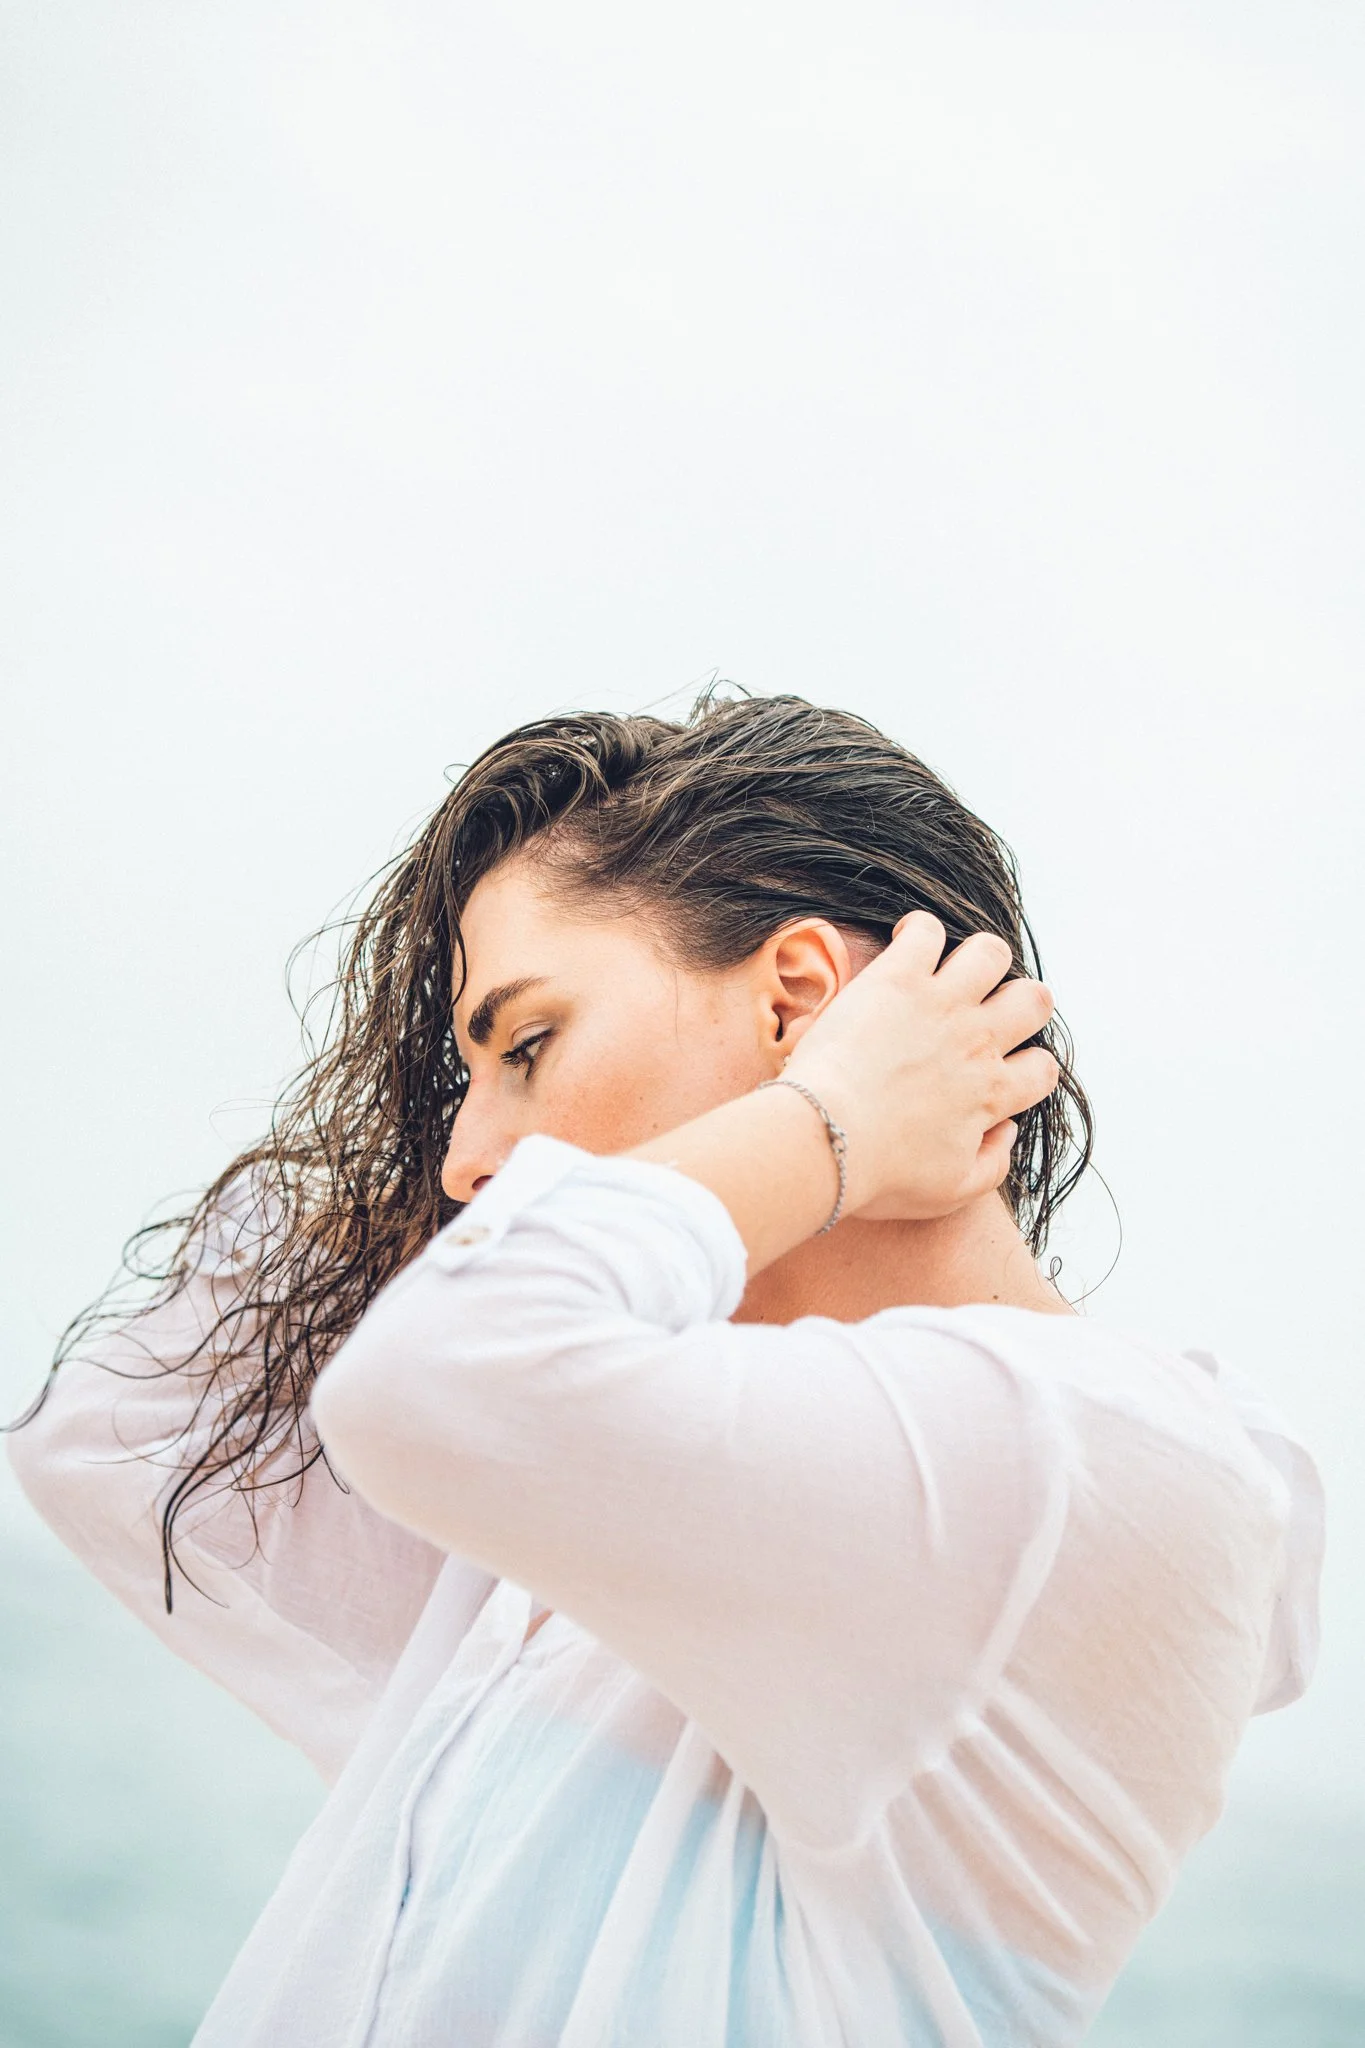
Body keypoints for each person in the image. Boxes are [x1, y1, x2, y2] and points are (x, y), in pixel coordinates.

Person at [7, 689, 1323, 2046]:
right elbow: (121, 1423)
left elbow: (431, 1382)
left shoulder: (1096, 1460)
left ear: (803, 998)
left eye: (527, 1044)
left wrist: (827, 1117)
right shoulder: (627, 1506)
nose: (463, 1166)